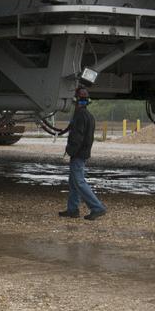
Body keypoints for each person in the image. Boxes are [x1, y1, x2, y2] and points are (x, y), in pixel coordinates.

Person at [59, 86, 107, 221]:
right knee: (74, 182)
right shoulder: (88, 115)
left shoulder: (80, 115)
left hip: (78, 154)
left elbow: (77, 137)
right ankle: (72, 209)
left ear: (77, 100)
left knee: (79, 182)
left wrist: (70, 151)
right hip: (83, 153)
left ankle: (97, 208)